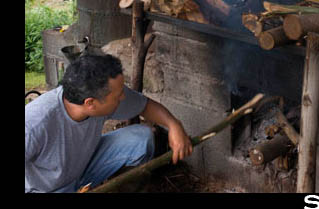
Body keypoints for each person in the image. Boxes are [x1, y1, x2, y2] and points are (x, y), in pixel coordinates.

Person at [25, 53, 193, 193]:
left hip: (82, 172)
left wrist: (174, 125)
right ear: (90, 103)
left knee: (141, 138)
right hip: (46, 190)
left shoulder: (93, 94)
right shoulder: (34, 123)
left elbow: (145, 106)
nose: (123, 97)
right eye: (118, 95)